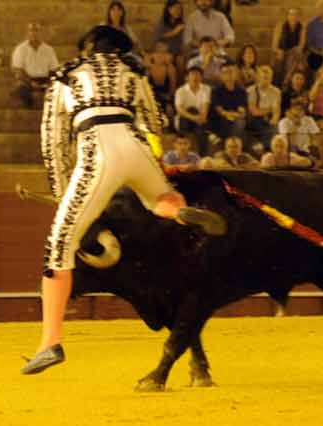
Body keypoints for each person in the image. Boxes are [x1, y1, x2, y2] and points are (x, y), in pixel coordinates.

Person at [20, 26, 226, 375]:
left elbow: (52, 140)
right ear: (120, 50)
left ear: (88, 48)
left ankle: (50, 342)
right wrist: (153, 163)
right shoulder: (134, 72)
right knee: (158, 197)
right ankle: (177, 209)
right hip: (135, 145)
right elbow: (155, 122)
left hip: (96, 150)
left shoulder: (67, 75)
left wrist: (61, 192)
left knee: (59, 245)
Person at [11, 23, 59, 108]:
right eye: (31, 30)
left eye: (36, 30)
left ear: (41, 33)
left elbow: (53, 69)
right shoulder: (20, 49)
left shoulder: (49, 50)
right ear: (27, 32)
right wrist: (31, 82)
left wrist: (49, 82)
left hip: (45, 79)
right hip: (27, 80)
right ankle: (29, 108)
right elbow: (18, 71)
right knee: (20, 88)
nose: (34, 33)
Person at [175, 66, 212, 155]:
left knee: (202, 129)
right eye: (192, 75)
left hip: (200, 119)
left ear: (201, 77)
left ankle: (203, 156)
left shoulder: (206, 89)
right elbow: (180, 109)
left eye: (198, 75)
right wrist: (194, 117)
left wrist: (201, 117)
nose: (195, 77)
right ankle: (184, 154)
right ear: (187, 77)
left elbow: (205, 106)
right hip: (185, 119)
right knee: (191, 110)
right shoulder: (181, 91)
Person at [209, 62, 247, 140]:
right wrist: (229, 114)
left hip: (236, 118)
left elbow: (242, 110)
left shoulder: (241, 91)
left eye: (231, 72)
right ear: (221, 76)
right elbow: (220, 110)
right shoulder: (216, 91)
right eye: (225, 72)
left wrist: (238, 115)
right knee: (228, 123)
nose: (229, 75)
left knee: (240, 122)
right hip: (220, 119)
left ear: (235, 74)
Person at [271, 7, 304, 86]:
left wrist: (292, 52)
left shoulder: (302, 27)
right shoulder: (280, 26)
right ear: (288, 16)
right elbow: (274, 46)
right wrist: (278, 51)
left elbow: (301, 46)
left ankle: (286, 80)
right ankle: (283, 82)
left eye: (296, 15)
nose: (293, 17)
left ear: (299, 17)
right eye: (291, 14)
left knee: (295, 52)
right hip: (281, 53)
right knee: (280, 58)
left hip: (294, 54)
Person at [154, 0, 185, 74]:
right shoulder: (162, 23)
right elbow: (158, 37)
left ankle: (180, 84)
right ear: (169, 9)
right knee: (169, 59)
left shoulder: (181, 23)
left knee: (180, 60)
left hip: (177, 51)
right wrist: (174, 32)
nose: (178, 11)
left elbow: (183, 40)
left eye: (180, 9)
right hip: (165, 51)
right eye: (176, 8)